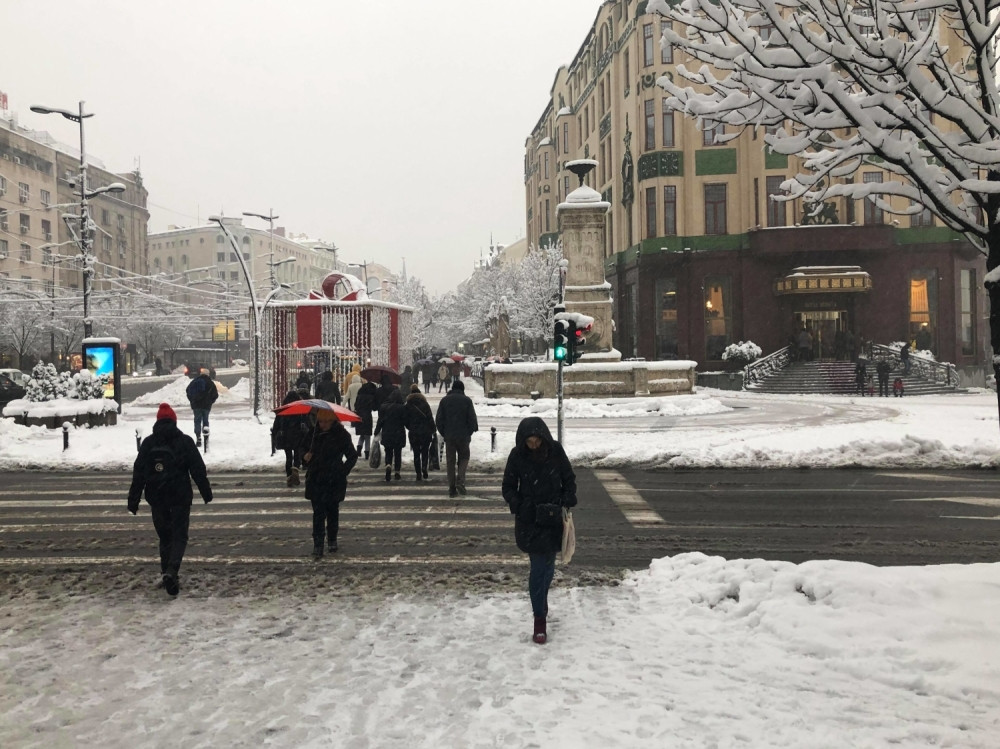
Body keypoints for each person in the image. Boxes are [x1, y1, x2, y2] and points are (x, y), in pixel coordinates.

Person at [501, 417, 577, 645]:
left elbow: (569, 479)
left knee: (549, 566)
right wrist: (519, 505)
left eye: (536, 442)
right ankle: (539, 619)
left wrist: (566, 500)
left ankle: (541, 603)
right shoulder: (517, 456)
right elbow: (508, 486)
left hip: (553, 517)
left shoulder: (555, 452)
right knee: (538, 569)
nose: (533, 446)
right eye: (529, 443)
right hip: (530, 519)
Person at [127, 402, 213, 596]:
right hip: (180, 496)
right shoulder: (184, 441)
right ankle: (172, 571)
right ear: (174, 421)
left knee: (165, 537)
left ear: (157, 422)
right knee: (179, 536)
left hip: (157, 497)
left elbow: (138, 473)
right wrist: (206, 492)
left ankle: (166, 571)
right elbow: (198, 469)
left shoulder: (149, 443)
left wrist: (133, 500)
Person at [303, 409, 357, 558]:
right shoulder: (313, 435)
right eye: (321, 421)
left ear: (333, 421)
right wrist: (305, 457)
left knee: (332, 512)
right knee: (318, 514)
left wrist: (342, 471)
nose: (323, 424)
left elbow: (352, 456)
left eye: (327, 421)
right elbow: (303, 451)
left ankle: (332, 539)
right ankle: (318, 544)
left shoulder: (341, 435)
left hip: (334, 480)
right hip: (316, 479)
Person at [435, 380, 478, 497]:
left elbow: (438, 420)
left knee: (450, 462)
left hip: (450, 436)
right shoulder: (467, 401)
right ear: (462, 390)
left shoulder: (444, 400)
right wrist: (469, 431)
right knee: (464, 457)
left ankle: (452, 488)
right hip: (463, 436)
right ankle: (461, 479)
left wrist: (444, 432)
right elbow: (472, 419)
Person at [272, 389, 311, 487]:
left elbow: (276, 425)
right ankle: (295, 469)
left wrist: (275, 434)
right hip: (298, 436)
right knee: (297, 455)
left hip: (286, 437)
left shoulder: (283, 410)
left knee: (288, 457)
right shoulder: (300, 409)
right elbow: (307, 423)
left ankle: (289, 477)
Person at [374, 389, 407, 482]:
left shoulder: (383, 407)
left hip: (387, 432)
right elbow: (405, 421)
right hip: (399, 433)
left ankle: (388, 464)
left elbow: (380, 421)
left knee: (388, 451)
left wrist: (376, 431)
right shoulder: (402, 408)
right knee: (398, 453)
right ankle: (397, 472)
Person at [405, 383, 435, 481]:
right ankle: (424, 467)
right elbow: (430, 418)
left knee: (416, 453)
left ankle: (418, 472)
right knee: (425, 451)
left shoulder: (408, 405)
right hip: (425, 431)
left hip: (414, 432)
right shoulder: (425, 404)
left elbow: (405, 420)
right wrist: (433, 429)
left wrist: (410, 427)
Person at [185, 368, 219, 448]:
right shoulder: (210, 383)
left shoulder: (194, 382)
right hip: (206, 406)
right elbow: (215, 395)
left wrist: (192, 401)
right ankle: (205, 436)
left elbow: (188, 391)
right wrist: (210, 402)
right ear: (208, 374)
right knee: (205, 420)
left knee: (197, 420)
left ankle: (198, 436)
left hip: (196, 405)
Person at [353, 380, 377, 459]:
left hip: (359, 416)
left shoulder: (359, 396)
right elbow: (374, 408)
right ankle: (367, 453)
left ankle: (359, 450)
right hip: (367, 416)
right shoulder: (371, 397)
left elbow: (355, 406)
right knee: (367, 436)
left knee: (362, 434)